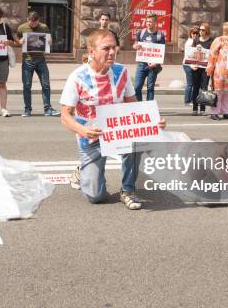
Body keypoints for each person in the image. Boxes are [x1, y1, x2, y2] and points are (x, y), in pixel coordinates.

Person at [60, 29, 166, 210]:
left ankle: (128, 190)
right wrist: (83, 130)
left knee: (137, 140)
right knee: (96, 196)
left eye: (114, 47)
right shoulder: (77, 77)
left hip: (118, 133)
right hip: (91, 138)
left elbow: (133, 106)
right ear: (91, 51)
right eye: (106, 48)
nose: (112, 52)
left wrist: (151, 122)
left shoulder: (121, 72)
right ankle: (83, 171)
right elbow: (65, 115)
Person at [16, 11, 59, 117]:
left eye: (35, 23)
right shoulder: (22, 28)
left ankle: (48, 109)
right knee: (27, 86)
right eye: (31, 23)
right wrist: (19, 41)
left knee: (46, 85)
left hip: (41, 60)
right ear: (28, 20)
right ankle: (27, 109)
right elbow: (16, 39)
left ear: (38, 21)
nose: (33, 25)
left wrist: (50, 41)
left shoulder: (44, 27)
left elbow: (50, 39)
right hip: (27, 60)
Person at [133, 13, 165, 101]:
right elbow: (135, 44)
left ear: (155, 23)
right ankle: (140, 106)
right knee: (137, 87)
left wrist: (156, 63)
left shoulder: (160, 35)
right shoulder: (141, 32)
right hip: (141, 64)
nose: (148, 23)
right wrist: (135, 46)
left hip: (153, 66)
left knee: (150, 88)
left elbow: (161, 51)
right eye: (147, 21)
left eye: (150, 22)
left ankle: (149, 108)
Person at [190, 23, 213, 116]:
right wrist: (191, 65)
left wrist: (210, 66)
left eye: (203, 30)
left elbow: (212, 55)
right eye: (200, 29)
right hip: (196, 67)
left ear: (207, 31)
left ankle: (202, 109)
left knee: (204, 88)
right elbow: (191, 53)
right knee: (195, 88)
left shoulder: (211, 41)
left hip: (205, 68)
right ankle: (195, 108)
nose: (200, 31)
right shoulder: (196, 40)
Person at [183, 27, 199, 108]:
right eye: (194, 33)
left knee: (193, 83)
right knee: (190, 84)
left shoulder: (195, 41)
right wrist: (191, 65)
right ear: (190, 33)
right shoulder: (190, 42)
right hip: (188, 64)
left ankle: (192, 99)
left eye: (197, 33)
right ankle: (187, 100)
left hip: (193, 64)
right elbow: (188, 56)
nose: (195, 35)